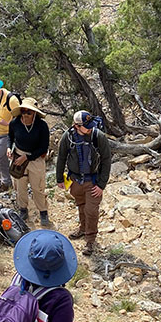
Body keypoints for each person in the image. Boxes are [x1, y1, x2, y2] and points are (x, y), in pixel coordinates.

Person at [55, 110, 111, 256]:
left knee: (91, 211)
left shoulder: (98, 136)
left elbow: (106, 160)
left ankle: (90, 240)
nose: (90, 128)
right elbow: (61, 157)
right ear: (76, 126)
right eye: (87, 126)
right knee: (81, 205)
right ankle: (82, 228)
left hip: (93, 182)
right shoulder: (67, 137)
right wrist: (59, 178)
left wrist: (101, 185)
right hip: (75, 180)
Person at [7, 97, 51, 226]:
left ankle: (43, 212)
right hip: (18, 156)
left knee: (37, 187)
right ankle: (23, 209)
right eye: (23, 111)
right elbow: (10, 137)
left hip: (35, 158)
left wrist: (26, 158)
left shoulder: (41, 126)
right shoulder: (15, 123)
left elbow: (43, 147)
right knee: (20, 186)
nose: (25, 114)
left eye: (28, 112)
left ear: (34, 113)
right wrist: (9, 148)